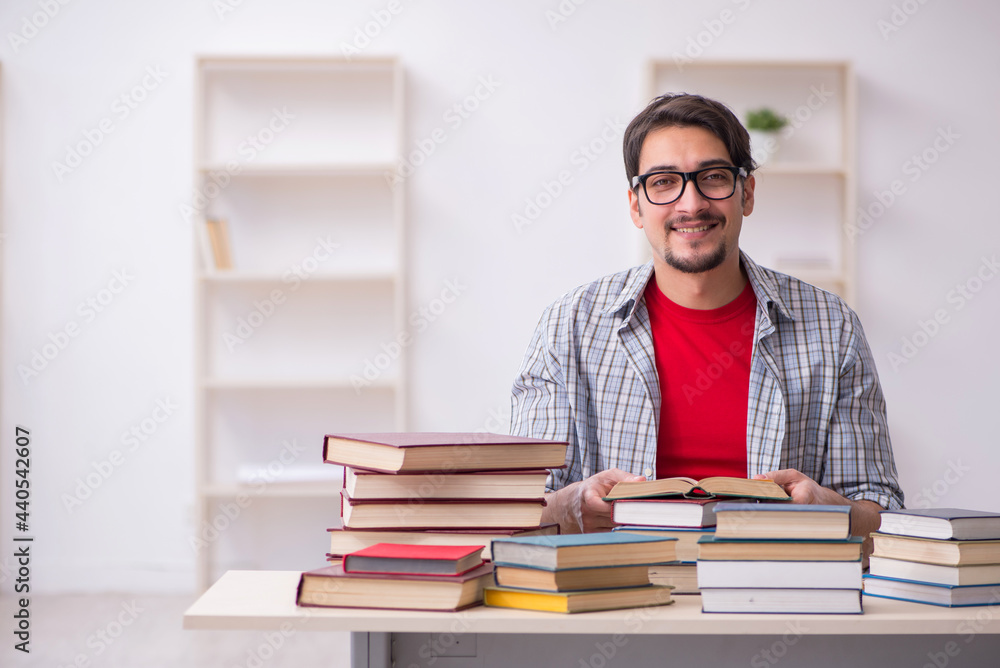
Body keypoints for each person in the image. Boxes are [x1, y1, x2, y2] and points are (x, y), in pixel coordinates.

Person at [510, 93, 903, 546]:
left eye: (713, 178)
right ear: (636, 206)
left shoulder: (833, 327)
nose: (691, 204)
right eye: (663, 182)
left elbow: (883, 512)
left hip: (777, 595)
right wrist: (573, 507)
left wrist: (828, 512)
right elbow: (521, 509)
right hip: (613, 597)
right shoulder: (569, 326)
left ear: (747, 193)